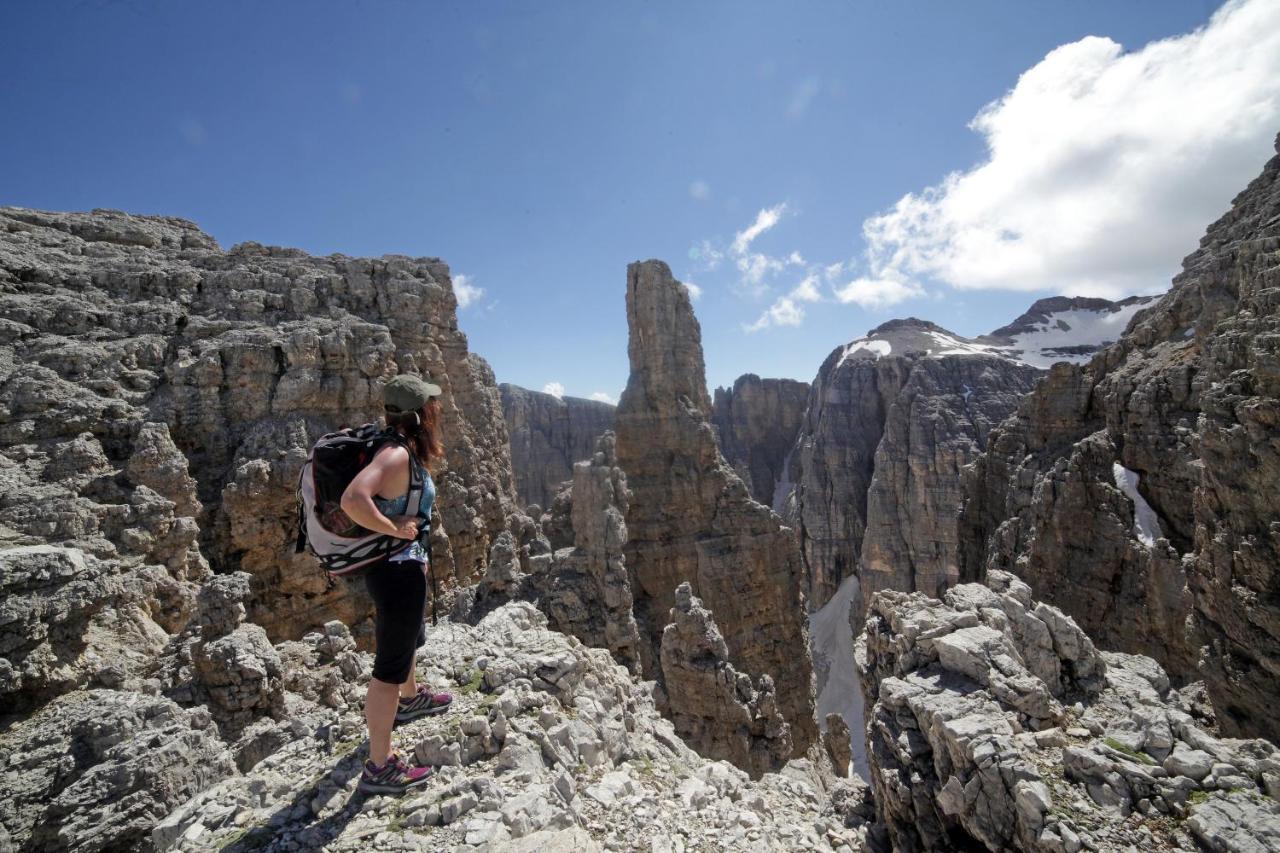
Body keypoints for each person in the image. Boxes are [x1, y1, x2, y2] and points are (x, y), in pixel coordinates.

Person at [340, 373, 454, 794]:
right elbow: (353, 499)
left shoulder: (399, 449)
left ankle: (411, 699)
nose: (436, 409)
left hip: (403, 567)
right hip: (396, 572)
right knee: (387, 669)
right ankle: (379, 767)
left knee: (407, 643)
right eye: (430, 405)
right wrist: (394, 529)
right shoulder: (395, 456)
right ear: (419, 415)